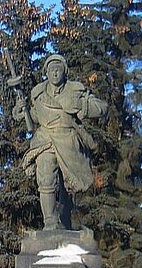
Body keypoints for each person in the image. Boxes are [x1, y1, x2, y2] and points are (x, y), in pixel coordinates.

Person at [14, 53, 108, 230]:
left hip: (69, 142)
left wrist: (81, 106)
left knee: (70, 186)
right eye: (51, 70)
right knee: (46, 176)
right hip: (46, 139)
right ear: (46, 73)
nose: (55, 73)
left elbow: (102, 108)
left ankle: (68, 222)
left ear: (65, 72)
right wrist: (21, 111)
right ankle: (49, 221)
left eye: (58, 70)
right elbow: (35, 116)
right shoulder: (38, 94)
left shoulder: (75, 91)